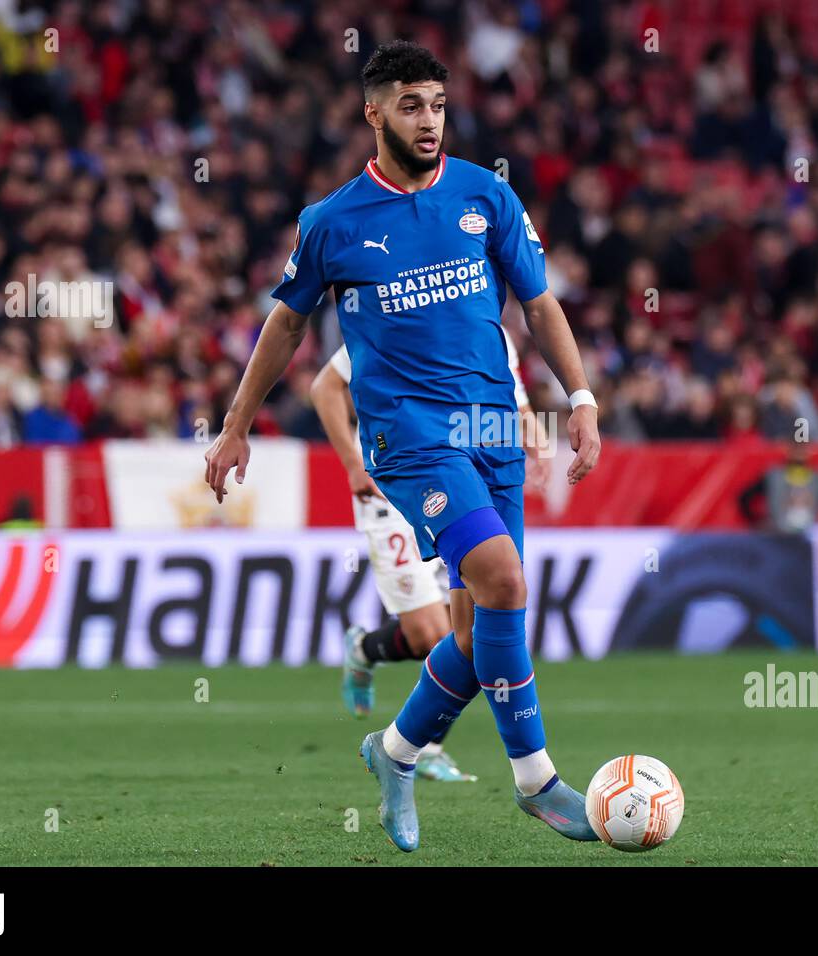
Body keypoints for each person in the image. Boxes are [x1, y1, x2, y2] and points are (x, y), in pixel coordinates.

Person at [204, 40, 601, 852]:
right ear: (373, 111)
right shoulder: (333, 221)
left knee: (475, 628)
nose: (430, 121)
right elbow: (286, 325)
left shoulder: (486, 195)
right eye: (411, 105)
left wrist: (582, 398)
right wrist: (237, 422)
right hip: (410, 436)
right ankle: (536, 780)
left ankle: (394, 752)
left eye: (439, 104)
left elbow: (541, 304)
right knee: (504, 577)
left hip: (492, 425)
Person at [310, 328, 548, 784]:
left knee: (470, 629)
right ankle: (364, 650)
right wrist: (352, 462)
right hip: (396, 480)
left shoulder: (491, 332)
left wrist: (532, 430)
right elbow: (324, 386)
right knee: (428, 634)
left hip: (457, 488)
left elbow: (512, 404)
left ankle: (425, 747)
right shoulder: (399, 309)